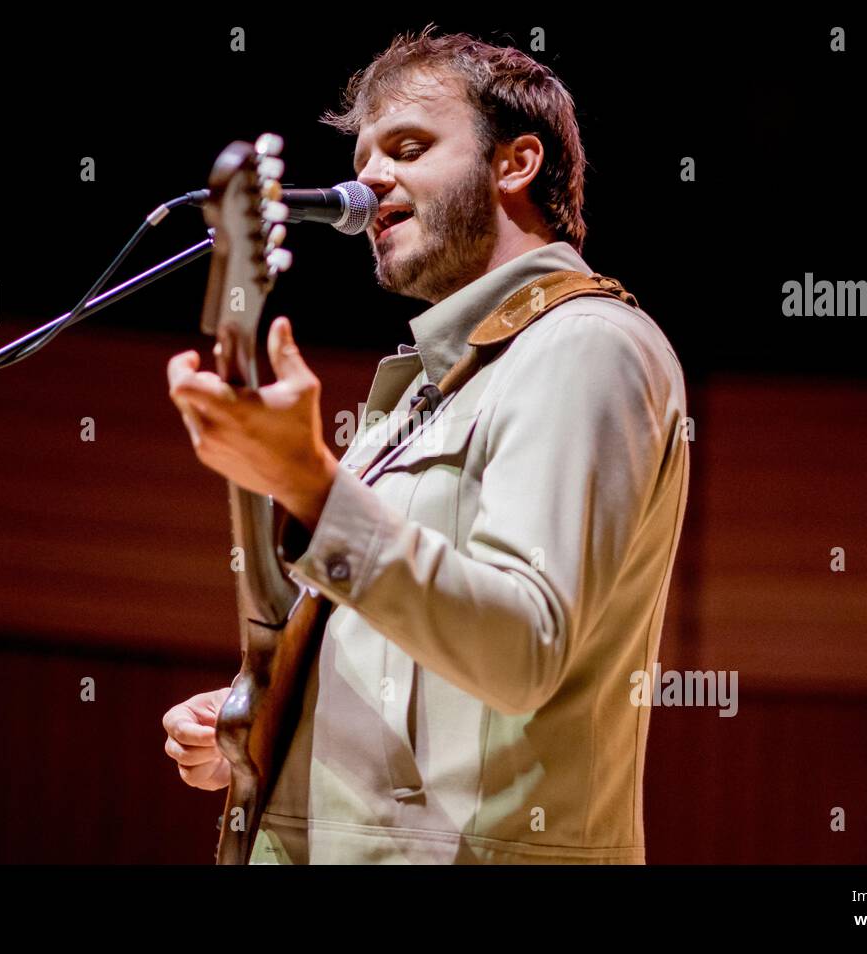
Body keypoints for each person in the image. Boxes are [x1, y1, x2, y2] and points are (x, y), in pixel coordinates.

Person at [162, 26, 690, 864]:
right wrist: (270, 717)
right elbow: (412, 645)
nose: (367, 180)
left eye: (409, 147)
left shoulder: (583, 345)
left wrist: (310, 483)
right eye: (365, 154)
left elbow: (521, 650)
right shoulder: (429, 389)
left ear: (515, 163)